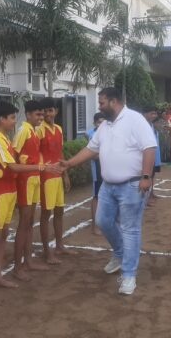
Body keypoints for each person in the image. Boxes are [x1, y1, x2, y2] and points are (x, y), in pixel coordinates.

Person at [61, 87, 156, 295]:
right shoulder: (105, 125)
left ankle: (129, 275)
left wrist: (146, 177)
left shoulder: (135, 120)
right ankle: (120, 254)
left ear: (113, 101)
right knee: (102, 221)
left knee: (130, 229)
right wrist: (69, 163)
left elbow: (149, 147)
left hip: (132, 185)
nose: (99, 106)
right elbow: (91, 149)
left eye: (102, 102)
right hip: (108, 185)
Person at [0, 101, 61, 300]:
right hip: (3, 189)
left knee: (7, 232)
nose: (14, 121)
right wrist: (40, 167)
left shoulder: (6, 138)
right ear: (1, 119)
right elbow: (13, 165)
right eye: (11, 118)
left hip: (11, 188)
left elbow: (16, 161)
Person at [12, 100, 51, 281]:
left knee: (29, 222)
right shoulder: (23, 131)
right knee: (24, 222)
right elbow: (14, 154)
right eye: (37, 114)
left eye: (42, 114)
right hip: (25, 180)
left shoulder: (33, 131)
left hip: (34, 178)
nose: (41, 117)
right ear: (28, 114)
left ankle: (27, 260)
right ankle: (17, 266)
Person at [37, 97, 74, 263]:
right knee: (46, 214)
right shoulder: (39, 130)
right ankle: (47, 251)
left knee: (59, 211)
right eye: (44, 111)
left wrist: (65, 174)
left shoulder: (58, 129)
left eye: (50, 110)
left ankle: (59, 245)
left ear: (56, 111)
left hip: (57, 175)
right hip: (46, 177)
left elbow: (60, 152)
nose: (47, 114)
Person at [86, 112, 105, 235]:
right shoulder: (93, 135)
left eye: (103, 122)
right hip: (97, 171)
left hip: (107, 170)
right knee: (96, 197)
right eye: (99, 122)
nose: (101, 124)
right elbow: (93, 155)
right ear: (94, 123)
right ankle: (94, 226)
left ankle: (103, 224)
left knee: (106, 197)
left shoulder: (107, 133)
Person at [142, 105, 161, 206]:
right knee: (146, 176)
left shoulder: (152, 126)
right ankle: (145, 198)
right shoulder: (142, 125)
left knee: (152, 175)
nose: (154, 115)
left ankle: (151, 194)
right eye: (152, 113)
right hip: (146, 156)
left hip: (154, 156)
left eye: (155, 114)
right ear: (145, 114)